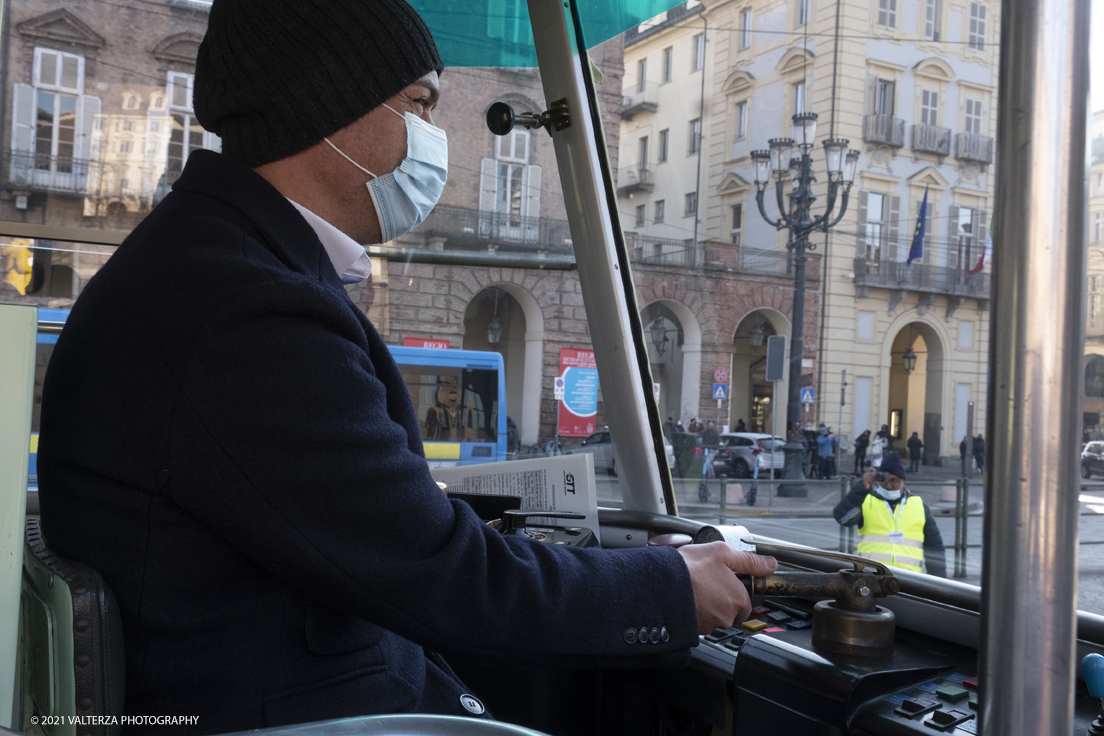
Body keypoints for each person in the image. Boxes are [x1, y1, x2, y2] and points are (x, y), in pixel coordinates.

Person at [35, 0, 778, 730]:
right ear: (328, 101)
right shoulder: (246, 310)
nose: (432, 135)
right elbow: (440, 574)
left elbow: (378, 534)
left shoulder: (212, 265)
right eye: (419, 103)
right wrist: (665, 590)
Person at [832, 451, 946, 577]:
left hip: (909, 581)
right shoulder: (866, 501)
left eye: (894, 481)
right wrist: (861, 489)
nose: (889, 485)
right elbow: (843, 518)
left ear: (903, 482)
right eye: (884, 481)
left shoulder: (919, 505)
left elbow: (935, 547)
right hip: (871, 579)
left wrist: (940, 584)